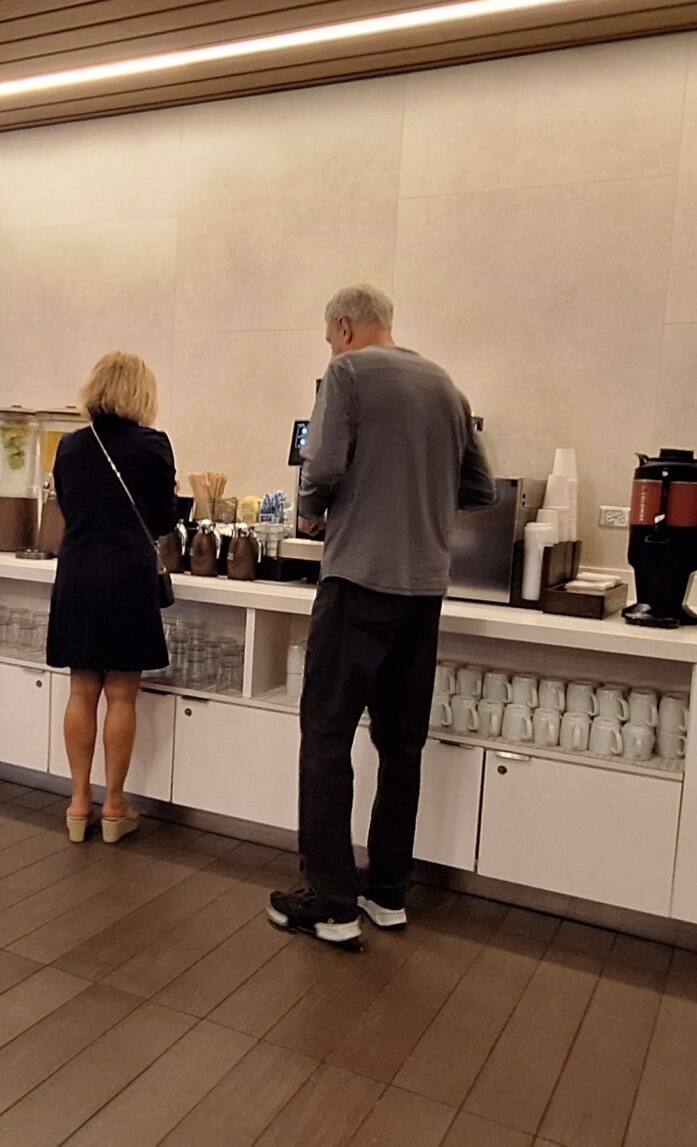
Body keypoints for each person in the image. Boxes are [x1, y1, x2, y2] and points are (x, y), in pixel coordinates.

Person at [269, 284, 495, 949]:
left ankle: (331, 900)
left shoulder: (346, 373)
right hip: (423, 591)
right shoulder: (447, 387)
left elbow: (323, 465)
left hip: (358, 580)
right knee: (402, 744)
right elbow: (479, 488)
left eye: (328, 334)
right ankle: (387, 892)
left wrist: (312, 510)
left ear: (342, 327)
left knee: (327, 737)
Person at [45, 352, 177, 846]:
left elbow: (68, 506)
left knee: (82, 689)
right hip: (128, 574)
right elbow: (162, 521)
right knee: (122, 693)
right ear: (141, 393)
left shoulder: (71, 447)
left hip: (78, 570)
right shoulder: (153, 446)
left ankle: (79, 804)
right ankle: (115, 806)